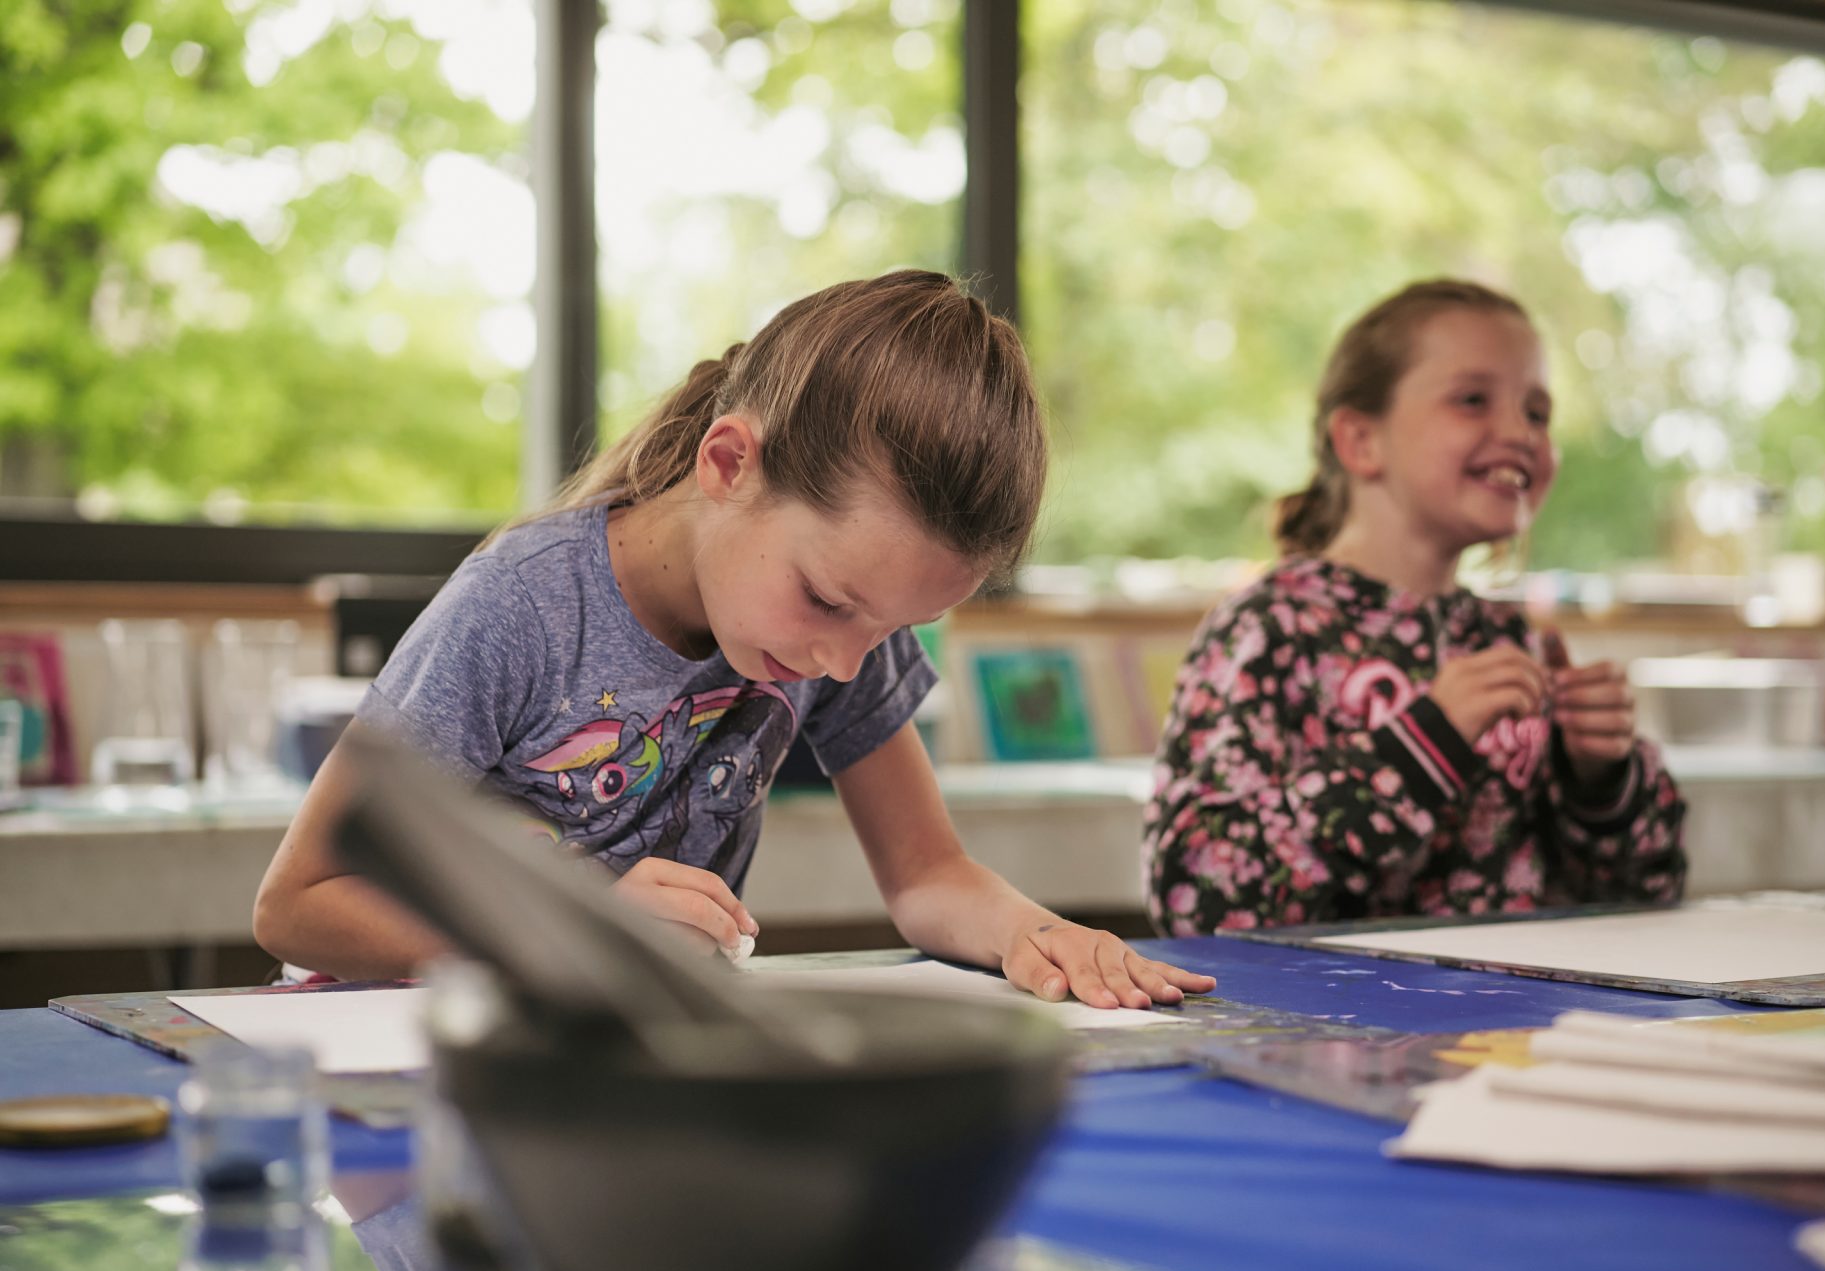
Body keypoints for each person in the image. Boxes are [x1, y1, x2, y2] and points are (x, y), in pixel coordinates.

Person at [256, 269, 1213, 1009]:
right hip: (400, 1066)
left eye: (894, 628)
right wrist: (570, 929)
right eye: (829, 602)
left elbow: (926, 874)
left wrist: (1031, 935)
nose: (845, 661)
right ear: (727, 463)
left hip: (605, 1059)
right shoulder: (523, 606)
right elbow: (297, 902)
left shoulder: (839, 624)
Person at [1144, 279, 1686, 935]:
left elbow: (1649, 894)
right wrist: (1423, 744)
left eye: (1538, 413)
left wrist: (1600, 781)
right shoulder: (1267, 631)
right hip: (1321, 1031)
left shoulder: (1509, 639)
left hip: (1511, 1029)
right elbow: (1196, 896)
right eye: (1472, 400)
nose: (1520, 432)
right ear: (1360, 441)